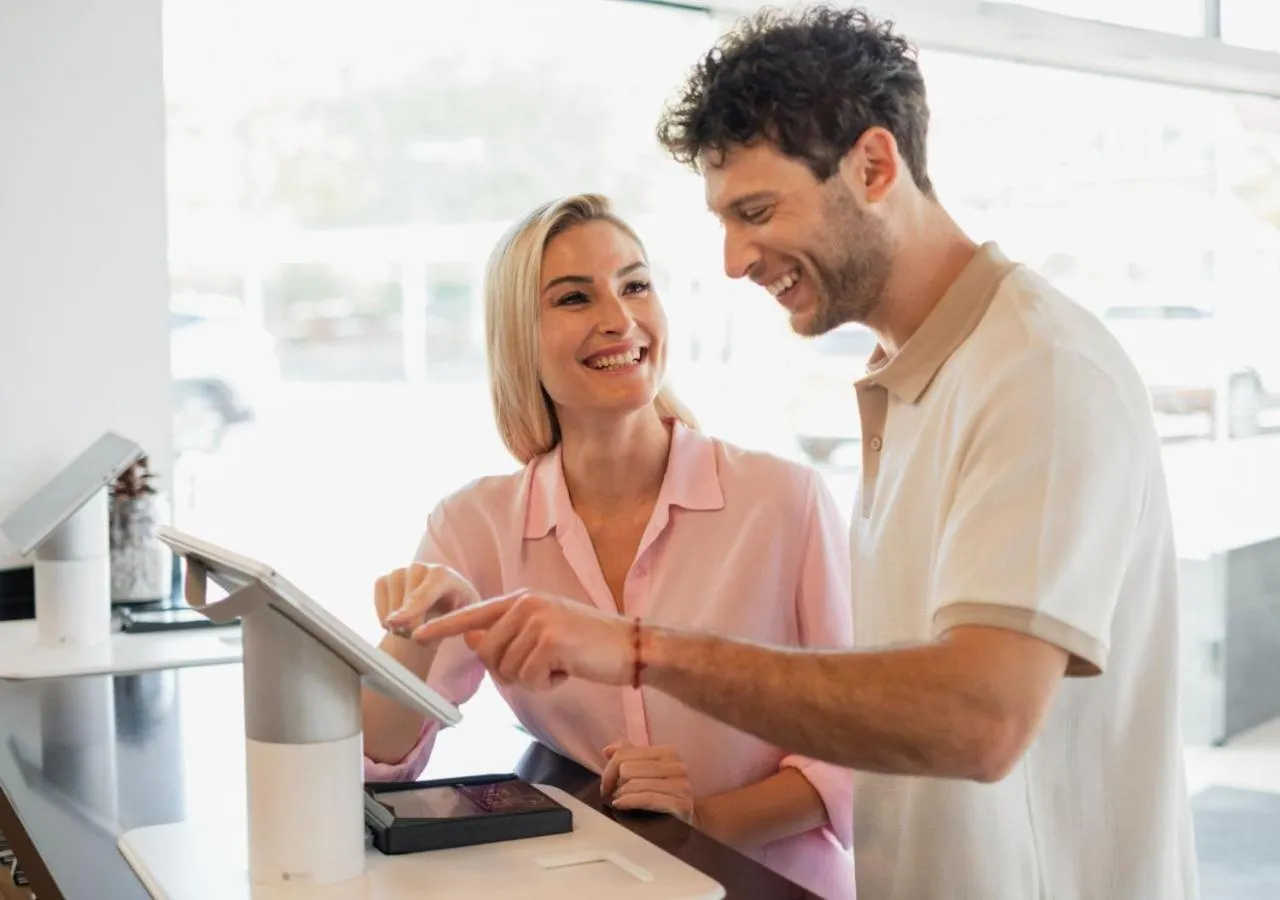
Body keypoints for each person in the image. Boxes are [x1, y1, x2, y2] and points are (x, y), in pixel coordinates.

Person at [411, 7, 1201, 900]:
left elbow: (980, 720)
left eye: (756, 211)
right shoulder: (915, 381)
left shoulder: (1037, 371)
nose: (733, 260)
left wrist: (637, 651)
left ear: (873, 167)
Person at [361, 193, 856, 899]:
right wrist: (409, 638)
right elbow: (375, 767)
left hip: (772, 885)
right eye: (574, 298)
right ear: (519, 338)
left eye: (635, 285)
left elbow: (861, 752)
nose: (619, 319)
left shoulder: (784, 501)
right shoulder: (474, 525)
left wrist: (701, 822)